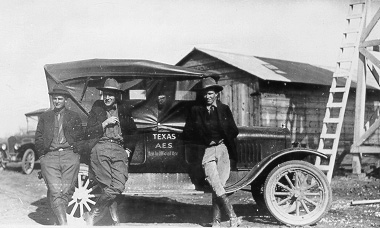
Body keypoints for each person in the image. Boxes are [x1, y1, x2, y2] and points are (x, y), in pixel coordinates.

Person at [182, 77, 241, 227]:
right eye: (205, 94)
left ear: (216, 94)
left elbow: (234, 130)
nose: (207, 97)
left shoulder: (224, 109)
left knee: (219, 185)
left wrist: (223, 135)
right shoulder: (196, 111)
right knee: (215, 183)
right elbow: (187, 133)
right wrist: (204, 139)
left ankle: (216, 222)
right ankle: (233, 215)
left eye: (210, 94)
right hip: (206, 151)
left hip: (222, 150)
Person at [84, 78, 137, 226]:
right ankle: (114, 219)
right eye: (105, 94)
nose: (107, 98)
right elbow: (88, 132)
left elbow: (133, 131)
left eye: (110, 95)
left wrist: (128, 149)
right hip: (101, 147)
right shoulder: (97, 108)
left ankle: (93, 212)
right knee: (108, 185)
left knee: (118, 186)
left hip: (119, 149)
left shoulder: (124, 109)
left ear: (116, 96)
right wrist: (104, 123)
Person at [35, 84, 84, 225]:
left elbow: (80, 137)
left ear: (66, 100)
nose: (56, 101)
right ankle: (64, 224)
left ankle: (59, 221)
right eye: (54, 99)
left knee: (66, 191)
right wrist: (42, 157)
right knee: (56, 191)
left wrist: (77, 155)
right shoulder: (45, 117)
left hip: (70, 156)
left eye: (60, 99)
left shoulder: (74, 116)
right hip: (50, 157)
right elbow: (38, 138)